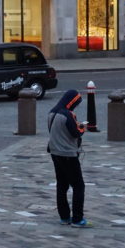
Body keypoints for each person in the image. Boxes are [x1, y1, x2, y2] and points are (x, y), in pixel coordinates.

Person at [48, 89, 89, 227]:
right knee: (78, 186)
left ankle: (64, 217)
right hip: (68, 154)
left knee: (62, 185)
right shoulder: (68, 114)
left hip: (55, 153)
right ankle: (77, 219)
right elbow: (76, 133)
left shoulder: (52, 113)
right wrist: (83, 127)